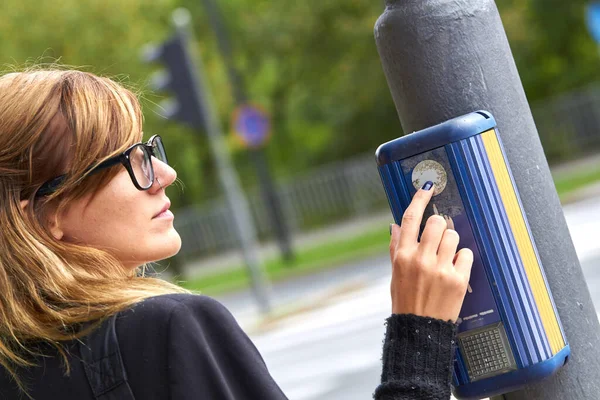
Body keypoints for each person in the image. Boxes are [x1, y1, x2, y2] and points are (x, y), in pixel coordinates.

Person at [0, 69, 473, 400]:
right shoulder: (165, 331)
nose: (164, 172)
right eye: (130, 161)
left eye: (149, 150)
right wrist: (419, 334)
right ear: (47, 213)